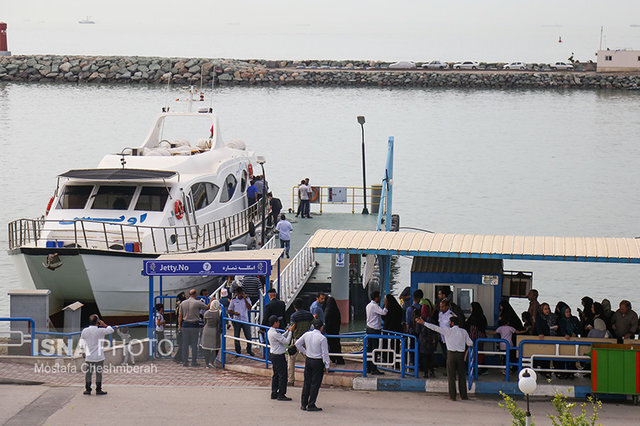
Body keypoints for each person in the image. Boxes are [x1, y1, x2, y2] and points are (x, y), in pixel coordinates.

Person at [416, 315, 473, 400]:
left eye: (449, 322)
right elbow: (470, 343)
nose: (449, 323)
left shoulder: (447, 331)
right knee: (462, 376)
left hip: (451, 355)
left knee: (451, 376)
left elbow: (435, 328)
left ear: (452, 323)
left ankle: (453, 396)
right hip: (460, 355)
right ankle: (464, 396)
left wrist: (424, 323)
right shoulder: (463, 332)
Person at [296, 319, 330, 412]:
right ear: (321, 327)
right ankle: (311, 404)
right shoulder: (322, 338)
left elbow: (297, 343)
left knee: (307, 382)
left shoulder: (307, 334)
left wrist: (305, 352)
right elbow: (324, 353)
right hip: (318, 362)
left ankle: (303, 403)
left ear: (313, 326)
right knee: (315, 384)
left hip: (309, 360)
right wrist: (327, 365)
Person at [79, 314, 114, 395]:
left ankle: (88, 389)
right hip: (99, 356)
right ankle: (98, 389)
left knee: (88, 373)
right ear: (97, 322)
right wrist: (104, 325)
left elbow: (81, 343)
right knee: (99, 374)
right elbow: (111, 330)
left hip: (89, 356)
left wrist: (83, 351)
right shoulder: (100, 331)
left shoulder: (85, 330)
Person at [178, 289, 209, 367]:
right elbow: (206, 307)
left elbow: (180, 316)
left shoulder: (183, 303)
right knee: (194, 344)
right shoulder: (197, 303)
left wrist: (179, 325)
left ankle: (185, 361)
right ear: (195, 294)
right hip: (194, 325)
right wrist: (211, 300)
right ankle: (193, 362)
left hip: (185, 324)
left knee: (185, 344)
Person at [288, 298, 315, 386]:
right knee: (308, 359)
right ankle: (310, 379)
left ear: (295, 306)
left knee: (291, 360)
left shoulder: (293, 316)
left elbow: (292, 328)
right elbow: (316, 324)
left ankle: (291, 380)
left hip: (296, 340)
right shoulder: (309, 315)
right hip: (307, 340)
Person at [267, 315, 294, 401]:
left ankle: (274, 392)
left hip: (274, 355)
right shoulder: (274, 333)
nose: (279, 323)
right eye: (277, 322)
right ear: (275, 323)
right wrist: (290, 332)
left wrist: (287, 331)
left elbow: (281, 337)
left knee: (276, 375)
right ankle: (281, 394)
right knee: (283, 375)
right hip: (279, 356)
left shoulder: (271, 331)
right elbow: (286, 341)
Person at [365, 290, 388, 375]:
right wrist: (386, 304)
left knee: (369, 349)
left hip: (369, 328)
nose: (380, 298)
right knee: (375, 350)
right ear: (376, 298)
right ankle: (374, 369)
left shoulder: (368, 305)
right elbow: (384, 313)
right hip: (374, 329)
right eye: (379, 296)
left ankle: (368, 367)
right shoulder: (374, 306)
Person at [227, 288, 254, 356]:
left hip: (245, 320)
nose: (239, 295)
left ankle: (249, 350)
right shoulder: (233, 300)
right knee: (236, 336)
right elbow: (229, 310)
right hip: (237, 320)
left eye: (241, 293)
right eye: (238, 293)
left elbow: (250, 308)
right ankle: (238, 351)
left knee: (248, 336)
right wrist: (234, 313)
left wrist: (245, 299)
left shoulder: (247, 299)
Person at [464, 302, 487, 374]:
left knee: (472, 354)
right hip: (480, 338)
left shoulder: (473, 317)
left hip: (474, 338)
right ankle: (481, 369)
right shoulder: (482, 316)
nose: (470, 308)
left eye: (471, 307)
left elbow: (472, 329)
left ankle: (473, 370)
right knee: (479, 353)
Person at [200, 300, 222, 368]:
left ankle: (207, 363)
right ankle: (211, 361)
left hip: (206, 330)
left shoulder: (206, 313)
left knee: (206, 347)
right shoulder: (219, 313)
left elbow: (205, 322)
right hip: (215, 331)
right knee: (216, 347)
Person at [323, 296, 344, 364]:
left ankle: (333, 358)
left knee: (331, 345)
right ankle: (339, 358)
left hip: (329, 332)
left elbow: (326, 322)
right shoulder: (336, 310)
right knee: (337, 344)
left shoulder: (327, 311)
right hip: (336, 331)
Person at [437, 299, 454, 370]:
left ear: (447, 306)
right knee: (444, 354)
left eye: (443, 307)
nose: (441, 308)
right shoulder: (440, 314)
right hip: (442, 338)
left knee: (449, 355)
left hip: (449, 339)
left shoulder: (451, 315)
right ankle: (447, 369)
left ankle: (450, 370)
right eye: (440, 307)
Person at [172, 292, 187, 363]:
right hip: (181, 326)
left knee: (182, 343)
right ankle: (178, 358)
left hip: (179, 326)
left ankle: (181, 358)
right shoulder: (182, 306)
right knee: (183, 344)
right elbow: (180, 316)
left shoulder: (178, 305)